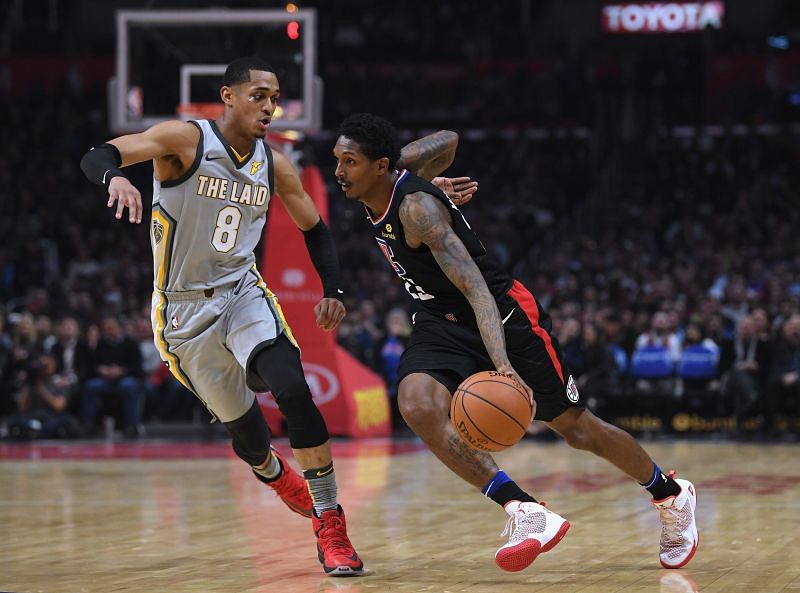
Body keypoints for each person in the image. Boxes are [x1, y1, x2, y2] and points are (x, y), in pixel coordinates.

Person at [332, 113, 698, 572]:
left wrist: (502, 364)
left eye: (349, 162)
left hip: (501, 314)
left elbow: (477, 291)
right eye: (337, 160)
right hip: (440, 320)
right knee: (417, 405)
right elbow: (448, 138)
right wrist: (426, 177)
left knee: (577, 429)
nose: (339, 172)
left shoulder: (417, 211)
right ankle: (525, 510)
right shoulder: (394, 177)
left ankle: (670, 493)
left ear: (380, 165)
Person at [80, 56, 370, 575]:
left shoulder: (275, 163)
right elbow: (102, 152)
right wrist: (115, 180)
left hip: (241, 293)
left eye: (275, 97)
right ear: (228, 96)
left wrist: (334, 287)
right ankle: (278, 474)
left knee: (293, 387)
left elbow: (315, 228)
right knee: (251, 442)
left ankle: (330, 519)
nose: (270, 106)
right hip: (182, 311)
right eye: (258, 95)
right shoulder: (184, 140)